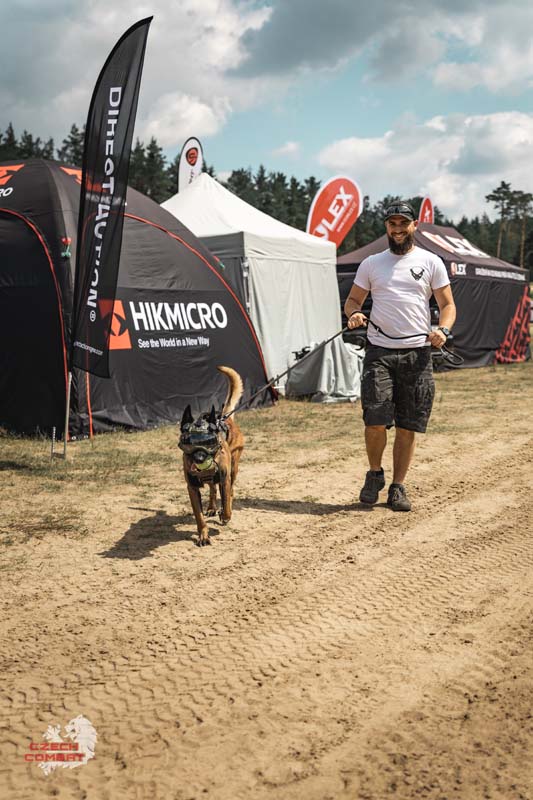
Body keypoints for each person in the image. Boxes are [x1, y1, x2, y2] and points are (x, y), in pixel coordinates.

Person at [344, 201, 456, 511]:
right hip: (379, 352)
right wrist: (354, 314)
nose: (397, 229)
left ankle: (398, 487)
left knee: (408, 424)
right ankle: (375, 474)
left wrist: (443, 330)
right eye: (392, 223)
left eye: (403, 223)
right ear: (386, 226)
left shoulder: (431, 261)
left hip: (417, 354)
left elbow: (448, 305)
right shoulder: (371, 264)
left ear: (414, 225)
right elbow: (353, 301)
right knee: (375, 420)